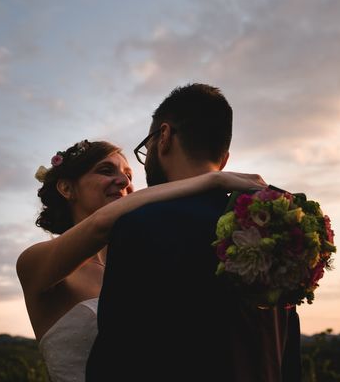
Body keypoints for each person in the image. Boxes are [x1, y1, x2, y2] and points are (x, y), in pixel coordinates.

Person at [86, 83, 302, 382]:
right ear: (224, 160)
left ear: (163, 137)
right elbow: (288, 352)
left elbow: (116, 358)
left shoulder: (142, 224)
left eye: (145, 149)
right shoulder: (276, 227)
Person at [16, 139, 266, 382]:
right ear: (67, 188)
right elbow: (100, 225)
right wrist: (212, 180)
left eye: (129, 175)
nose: (124, 182)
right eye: (106, 170)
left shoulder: (138, 264)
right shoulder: (33, 263)